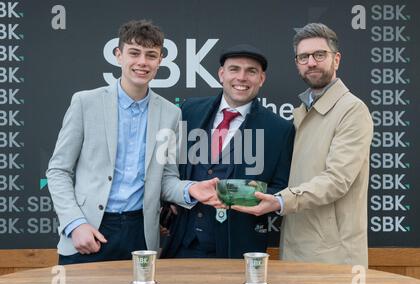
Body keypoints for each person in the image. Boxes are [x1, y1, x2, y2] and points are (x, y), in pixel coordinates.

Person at [46, 20, 219, 265]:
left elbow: (166, 179)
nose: (142, 62)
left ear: (160, 61)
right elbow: (58, 171)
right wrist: (75, 224)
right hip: (89, 231)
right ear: (118, 55)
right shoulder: (85, 103)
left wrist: (190, 190)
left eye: (151, 55)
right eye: (134, 53)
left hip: (141, 235)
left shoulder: (171, 113)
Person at [232, 23, 373, 268]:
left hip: (333, 255)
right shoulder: (302, 112)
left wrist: (280, 200)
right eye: (303, 56)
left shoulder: (352, 110)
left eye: (320, 55)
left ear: (336, 59)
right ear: (297, 63)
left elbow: (338, 179)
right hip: (296, 247)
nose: (311, 62)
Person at [161, 44, 294, 258]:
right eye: (234, 69)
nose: (242, 77)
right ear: (221, 74)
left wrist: (255, 197)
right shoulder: (188, 111)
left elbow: (281, 186)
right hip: (182, 243)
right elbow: (168, 169)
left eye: (251, 71)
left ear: (261, 79)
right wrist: (171, 201)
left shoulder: (280, 129)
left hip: (238, 249)